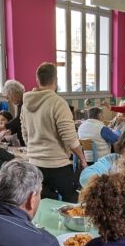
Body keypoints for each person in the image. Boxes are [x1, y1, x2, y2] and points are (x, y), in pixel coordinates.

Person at [22, 63, 86, 203]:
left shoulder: (25, 104)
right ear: (55, 81)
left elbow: (25, 133)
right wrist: (81, 157)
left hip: (34, 164)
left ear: (37, 80)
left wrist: (34, 149)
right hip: (57, 165)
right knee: (72, 202)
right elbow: (69, 137)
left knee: (41, 204)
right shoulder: (58, 103)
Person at [2, 79, 26, 146]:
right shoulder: (21, 103)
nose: (8, 101)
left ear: (14, 94)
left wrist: (4, 126)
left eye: (8, 97)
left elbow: (19, 120)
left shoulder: (25, 103)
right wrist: (10, 131)